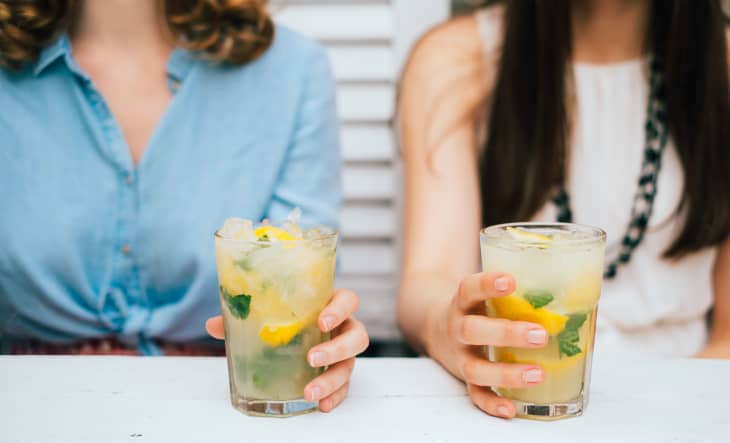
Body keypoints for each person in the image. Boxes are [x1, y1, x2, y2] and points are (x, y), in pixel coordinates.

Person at [0, 0, 368, 413]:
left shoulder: (294, 71)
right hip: (28, 411)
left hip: (227, 416)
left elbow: (294, 285)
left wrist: (322, 334)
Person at [397, 0, 730, 418]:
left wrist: (658, 415)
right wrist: (448, 327)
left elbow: (727, 338)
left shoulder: (723, 64)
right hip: (520, 398)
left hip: (683, 399)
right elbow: (431, 278)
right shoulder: (457, 59)